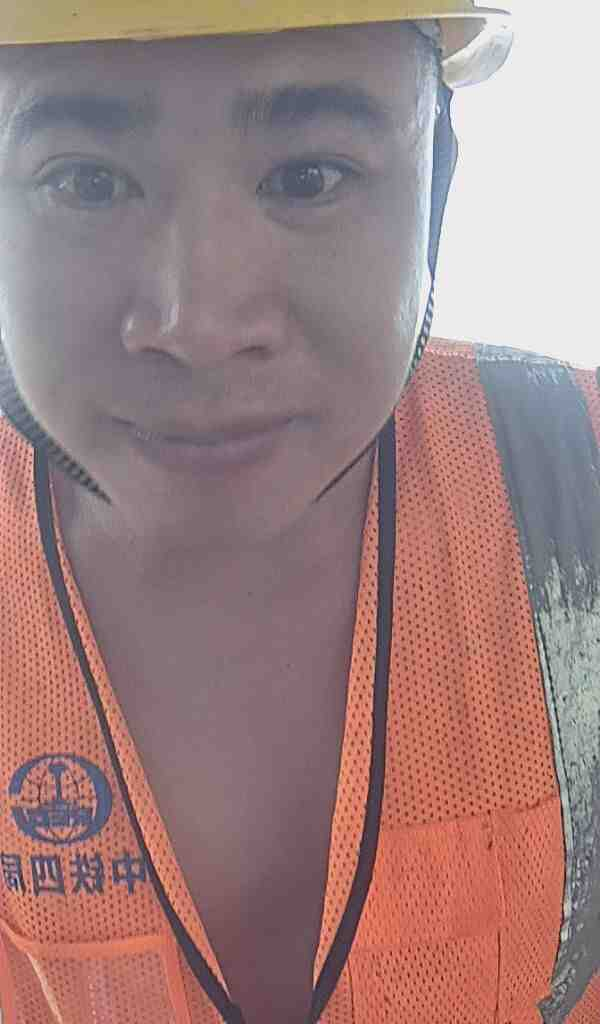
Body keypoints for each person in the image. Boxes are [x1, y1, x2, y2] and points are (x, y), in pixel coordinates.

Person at [0, 2, 599, 1022]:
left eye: (309, 175)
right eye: (86, 180)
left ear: (437, 185)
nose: (200, 324)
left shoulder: (574, 477)